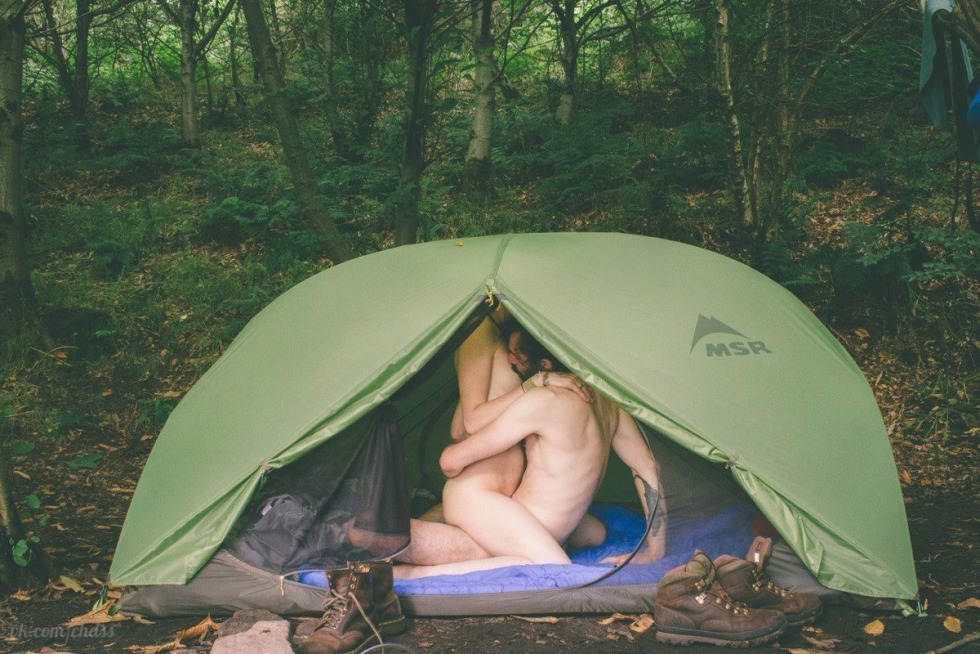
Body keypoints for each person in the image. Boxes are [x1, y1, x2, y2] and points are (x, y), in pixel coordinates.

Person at [396, 328, 666, 577]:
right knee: (555, 566)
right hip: (476, 499)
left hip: (510, 509)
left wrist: (654, 553)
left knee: (594, 534)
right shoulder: (607, 398)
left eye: (518, 357)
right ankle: (407, 572)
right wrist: (656, 551)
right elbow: (646, 466)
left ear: (545, 366)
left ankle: (391, 534)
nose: (511, 362)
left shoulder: (542, 401)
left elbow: (451, 456)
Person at [396, 303, 593, 566]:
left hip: (501, 483)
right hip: (482, 480)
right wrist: (535, 384)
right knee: (495, 552)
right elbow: (473, 419)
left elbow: (458, 426)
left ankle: (383, 543)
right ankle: (373, 541)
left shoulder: (506, 334)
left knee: (572, 536)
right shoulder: (480, 332)